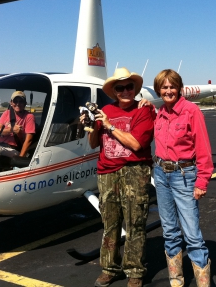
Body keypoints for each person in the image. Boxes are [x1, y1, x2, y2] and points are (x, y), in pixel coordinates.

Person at [140, 69, 213, 287]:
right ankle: (176, 279)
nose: (169, 90)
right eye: (164, 87)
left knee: (192, 234)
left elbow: (204, 150)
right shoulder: (160, 112)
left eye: (172, 86)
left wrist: (202, 182)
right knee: (170, 230)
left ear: (179, 88)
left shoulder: (191, 111)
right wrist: (147, 107)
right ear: (158, 90)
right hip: (161, 175)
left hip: (184, 175)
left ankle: (203, 283)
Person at [82, 68, 154, 287]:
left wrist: (109, 125)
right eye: (120, 88)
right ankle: (109, 268)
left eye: (129, 87)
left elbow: (136, 144)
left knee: (135, 223)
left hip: (135, 171)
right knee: (110, 223)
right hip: (108, 172)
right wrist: (91, 124)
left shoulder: (143, 111)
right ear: (113, 91)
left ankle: (134, 271)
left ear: (135, 88)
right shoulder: (105, 110)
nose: (125, 91)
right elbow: (94, 143)